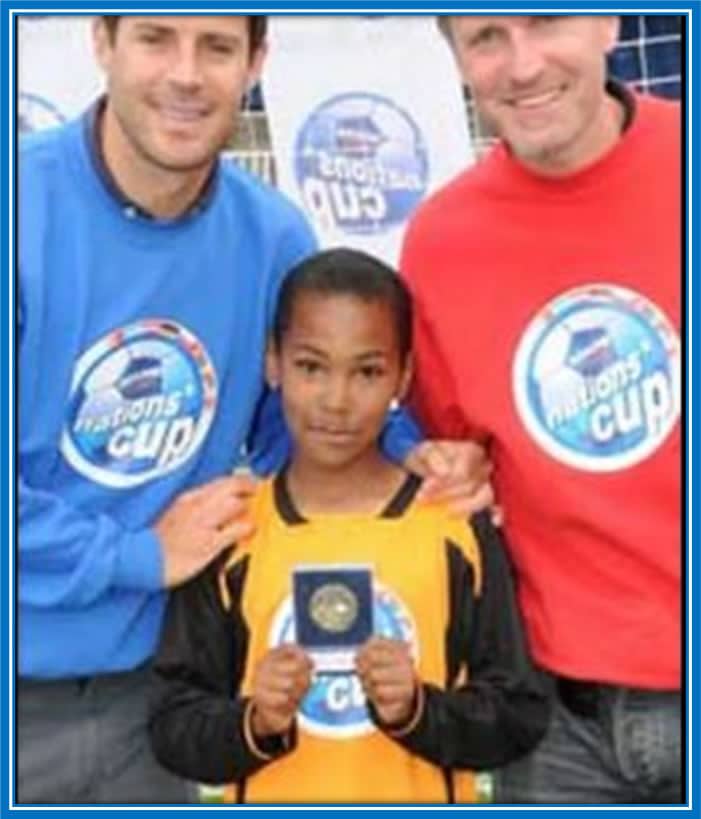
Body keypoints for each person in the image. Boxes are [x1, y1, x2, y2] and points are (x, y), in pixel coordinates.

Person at [17, 14, 489, 805]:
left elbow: (293, 418)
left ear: (256, 62)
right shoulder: (22, 208)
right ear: (101, 44)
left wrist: (413, 453)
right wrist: (136, 555)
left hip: (149, 703)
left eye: (217, 47)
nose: (186, 74)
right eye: (156, 38)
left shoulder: (269, 234)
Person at [148, 248, 550, 804]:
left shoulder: (453, 525)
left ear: (404, 377)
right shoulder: (231, 529)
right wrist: (257, 721)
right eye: (311, 367)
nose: (336, 401)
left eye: (367, 371)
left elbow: (517, 714)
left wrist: (417, 710)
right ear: (273, 363)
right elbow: (174, 723)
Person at [400, 15, 682, 804]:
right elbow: (448, 451)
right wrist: (445, 467)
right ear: (455, 57)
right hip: (558, 726)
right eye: (486, 36)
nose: (521, 65)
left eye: (546, 20)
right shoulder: (440, 242)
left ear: (608, 22)